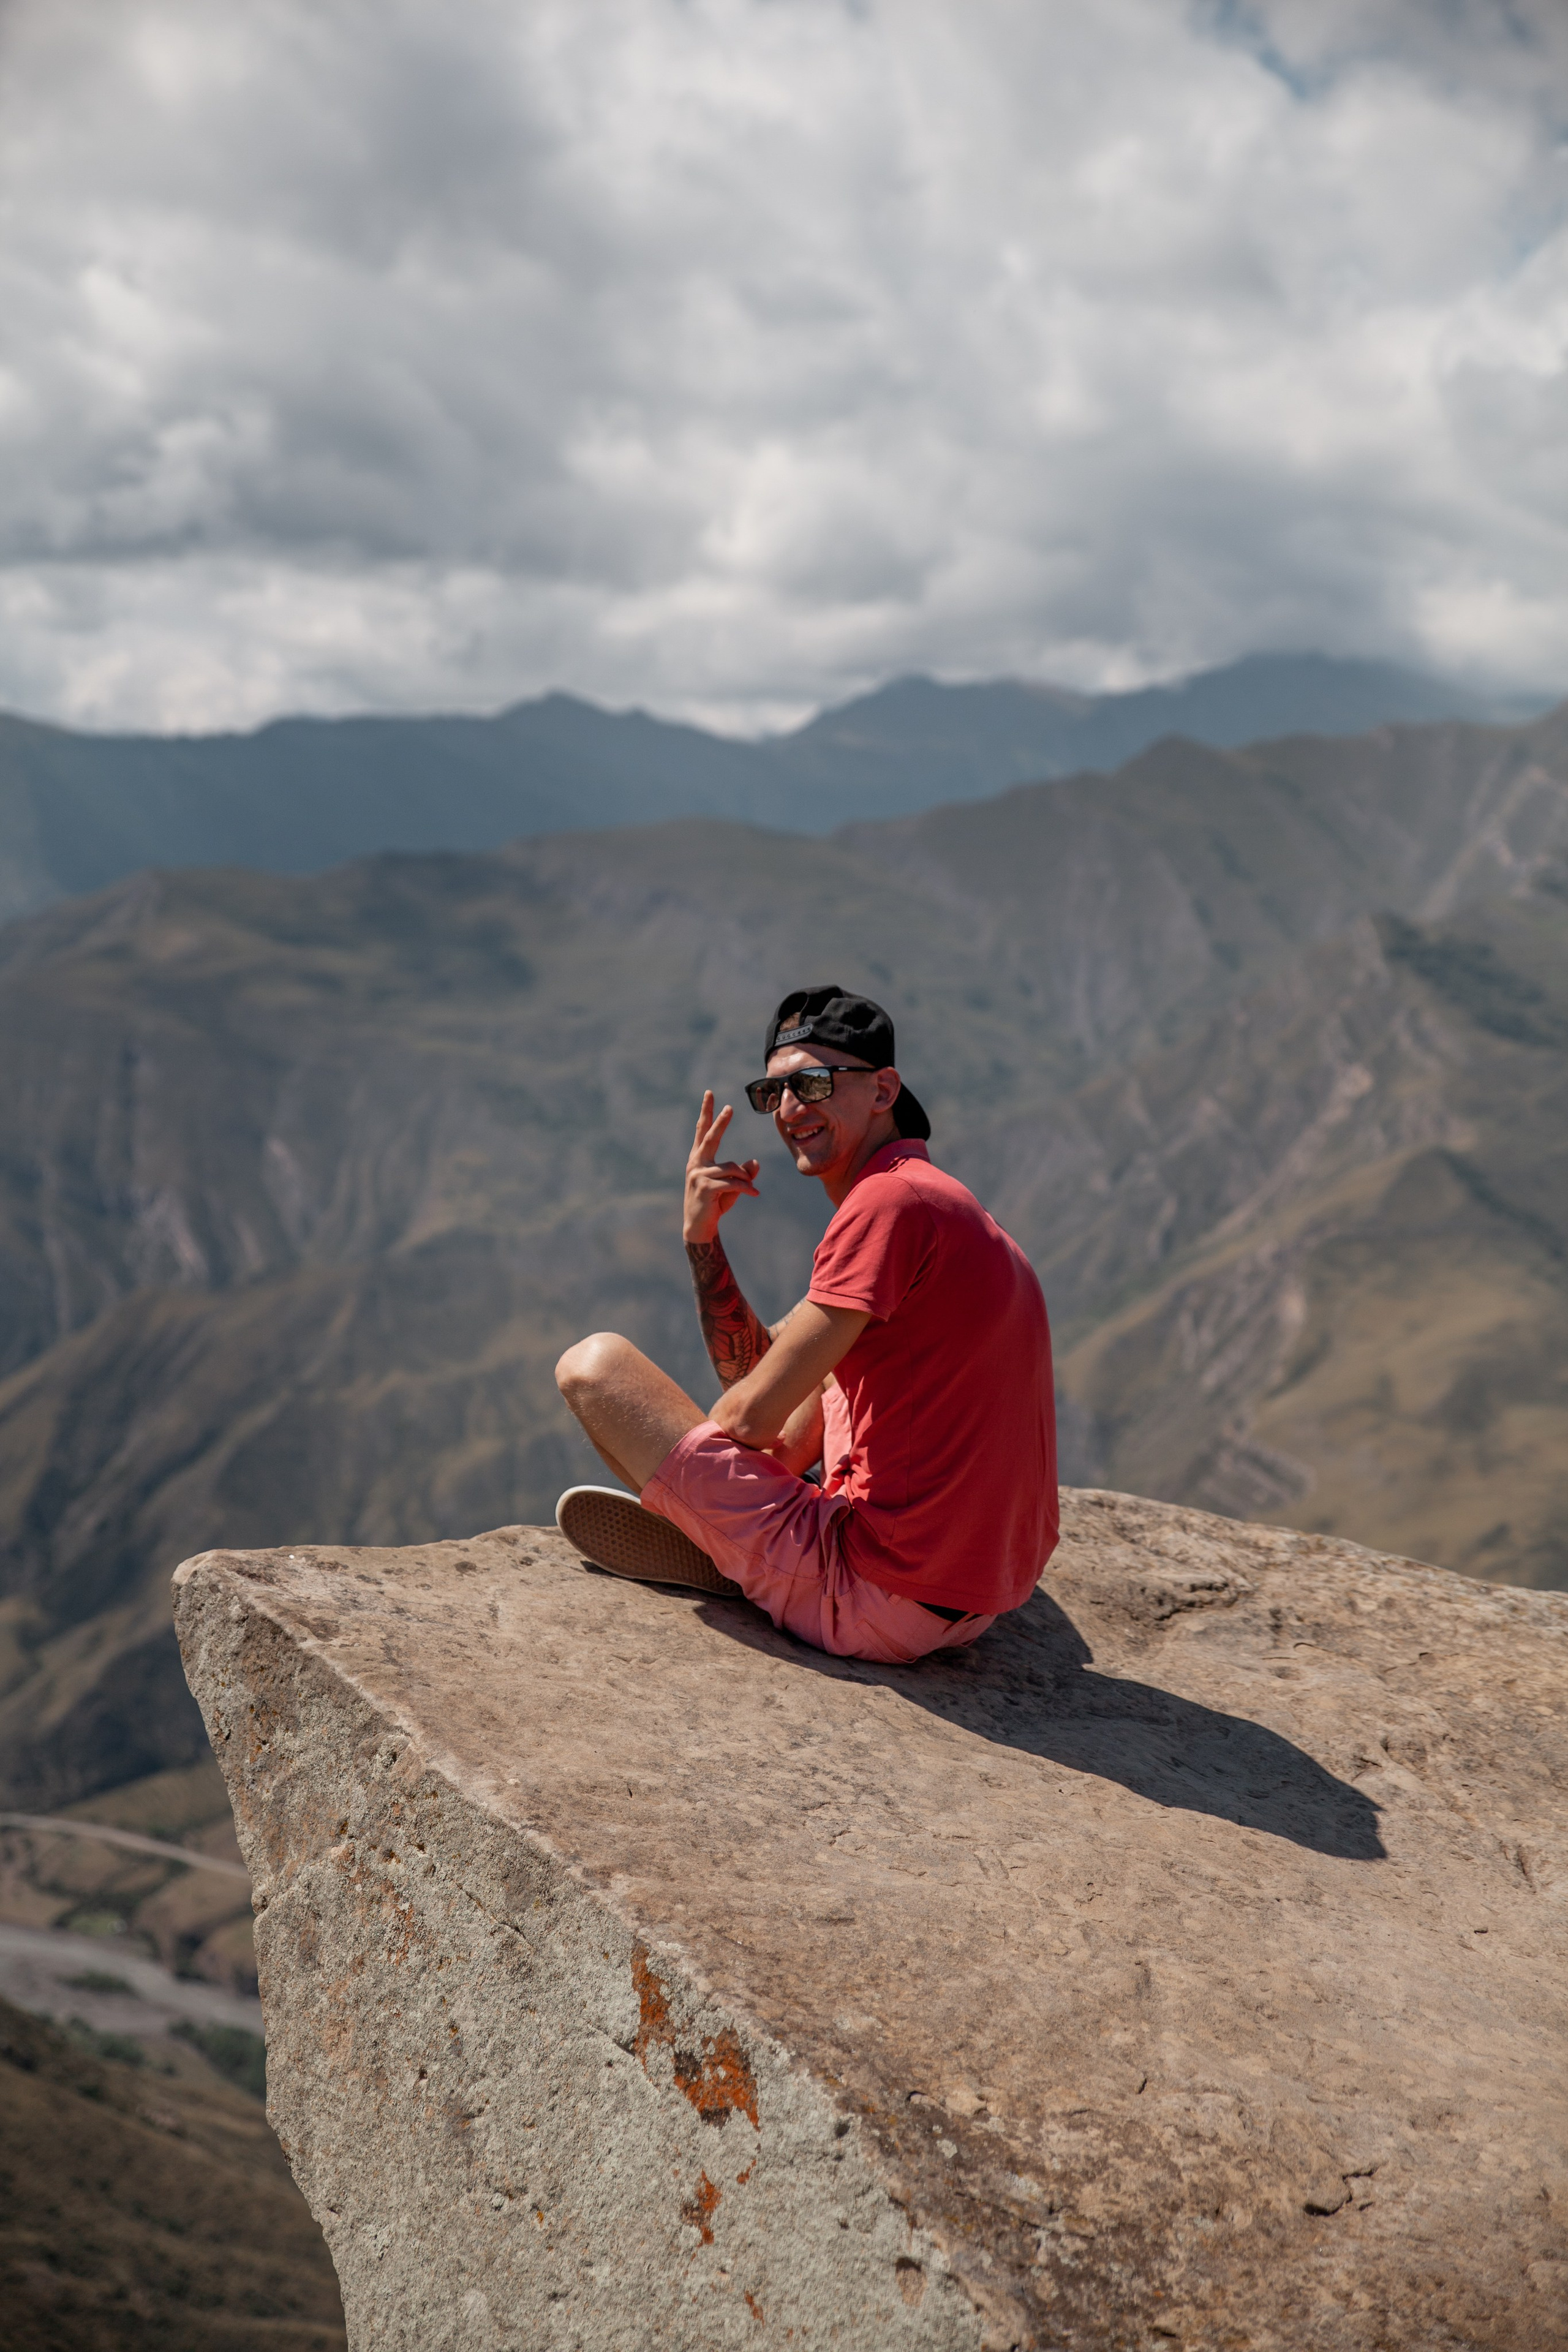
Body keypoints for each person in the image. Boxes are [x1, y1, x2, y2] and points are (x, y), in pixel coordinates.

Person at [554, 986, 1058, 1664]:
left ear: (883, 1091)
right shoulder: (934, 1199)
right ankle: (742, 1544)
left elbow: (749, 1421)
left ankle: (734, 1557)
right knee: (822, 1365)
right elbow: (779, 1406)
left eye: (813, 1083)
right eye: (773, 1093)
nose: (790, 1109)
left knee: (593, 1366)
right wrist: (703, 1241)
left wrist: (720, 1467)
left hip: (875, 1596)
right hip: (973, 1600)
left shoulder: (885, 1206)